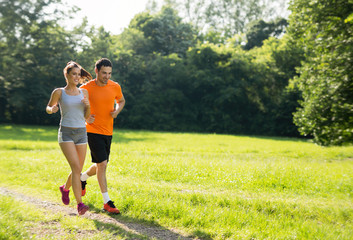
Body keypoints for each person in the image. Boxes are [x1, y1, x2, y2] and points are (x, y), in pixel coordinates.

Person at [79, 58, 125, 214]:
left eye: (110, 73)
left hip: (108, 131)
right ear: (97, 71)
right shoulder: (86, 88)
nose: (107, 76)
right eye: (104, 73)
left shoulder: (115, 86)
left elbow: (121, 100)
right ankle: (107, 202)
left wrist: (117, 111)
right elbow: (76, 107)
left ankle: (82, 178)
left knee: (101, 164)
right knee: (103, 164)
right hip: (92, 130)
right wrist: (86, 118)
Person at [46, 61, 92, 215]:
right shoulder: (59, 92)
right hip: (65, 133)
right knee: (76, 168)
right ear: (67, 75)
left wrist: (88, 105)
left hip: (81, 132)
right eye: (74, 74)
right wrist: (51, 109)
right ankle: (80, 204)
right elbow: (48, 107)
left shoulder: (83, 92)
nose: (77, 77)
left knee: (78, 168)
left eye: (79, 74)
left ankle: (65, 189)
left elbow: (86, 116)